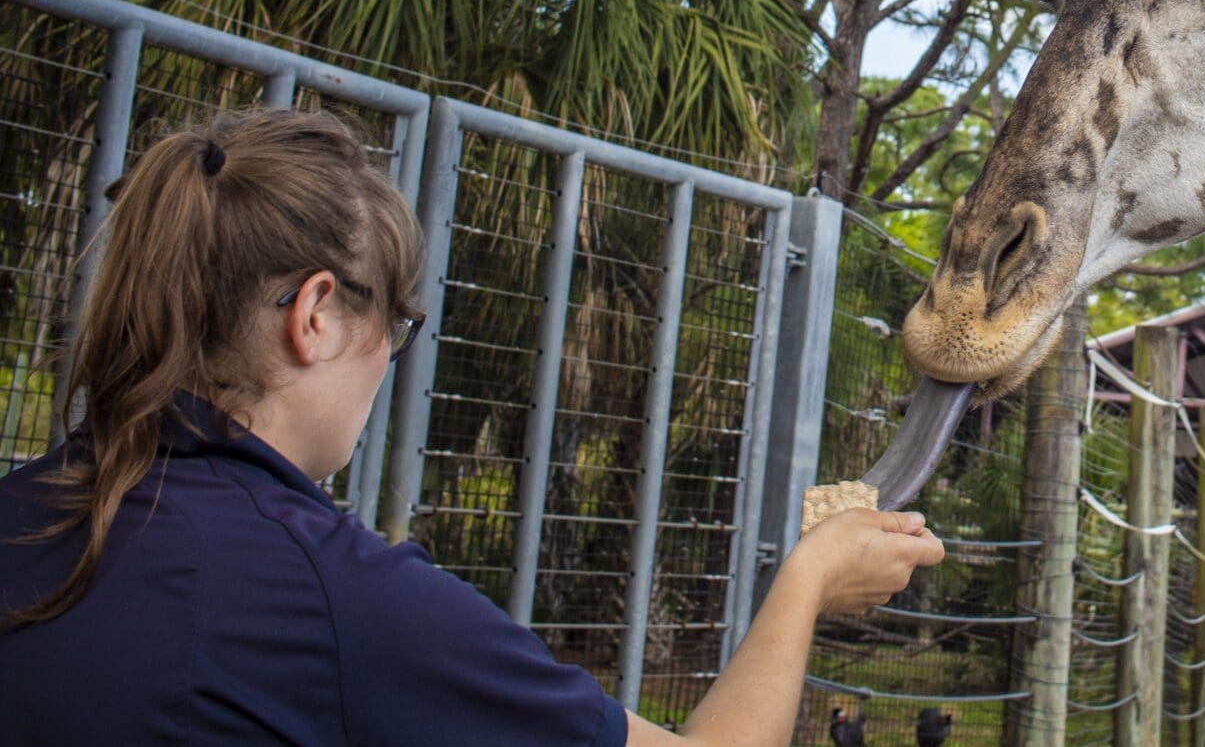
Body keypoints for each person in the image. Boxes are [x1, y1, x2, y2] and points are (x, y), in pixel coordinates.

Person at [0, 109, 944, 746]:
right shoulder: (336, 601)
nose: (390, 357)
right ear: (317, 314)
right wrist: (810, 578)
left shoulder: (23, 515)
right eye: (399, 323)